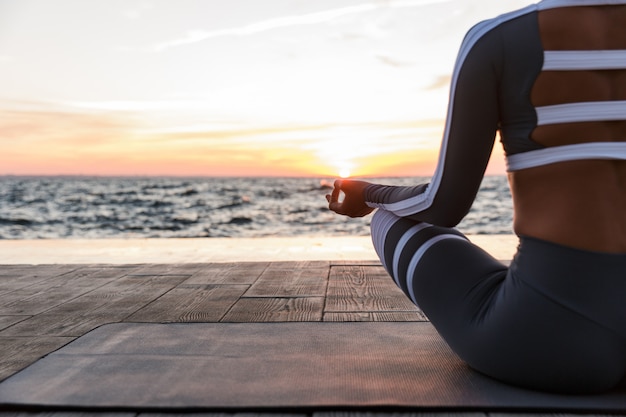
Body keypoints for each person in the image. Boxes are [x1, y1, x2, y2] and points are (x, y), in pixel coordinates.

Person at [326, 0, 626, 394]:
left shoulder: (500, 40)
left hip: (551, 344)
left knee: (389, 218)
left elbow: (443, 206)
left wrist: (369, 193)